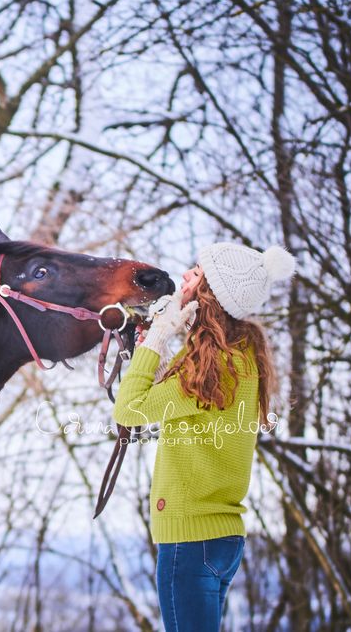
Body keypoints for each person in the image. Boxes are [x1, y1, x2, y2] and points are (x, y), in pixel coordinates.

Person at [112, 242, 296, 631]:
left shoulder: (211, 369)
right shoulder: (238, 357)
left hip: (189, 542)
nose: (184, 277)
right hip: (221, 538)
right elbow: (168, 400)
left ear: (212, 292)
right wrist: (155, 342)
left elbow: (129, 410)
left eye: (195, 273)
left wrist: (158, 336)